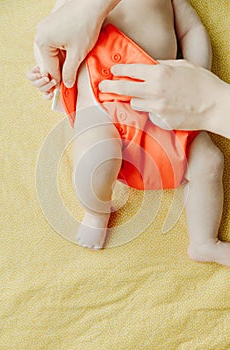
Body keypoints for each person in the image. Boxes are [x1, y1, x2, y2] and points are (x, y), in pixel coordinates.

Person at [28, 0, 230, 267]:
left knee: (209, 162)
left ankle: (204, 242)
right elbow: (50, 36)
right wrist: (46, 71)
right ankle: (96, 211)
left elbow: (191, 30)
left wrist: (196, 74)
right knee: (94, 158)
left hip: (166, 104)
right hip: (103, 105)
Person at [99, 60, 230, 138]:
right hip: (108, 106)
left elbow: (192, 30)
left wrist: (199, 84)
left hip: (179, 115)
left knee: (210, 164)